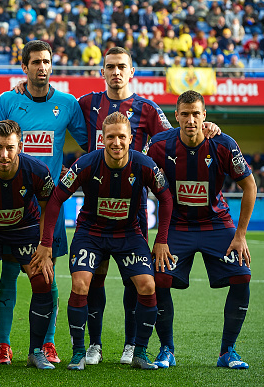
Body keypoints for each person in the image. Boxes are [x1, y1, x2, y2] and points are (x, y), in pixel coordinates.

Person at [76, 46, 220, 365]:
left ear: (131, 72)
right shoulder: (85, 105)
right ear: (102, 72)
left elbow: (176, 138)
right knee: (94, 275)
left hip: (134, 211)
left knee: (134, 279)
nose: (115, 72)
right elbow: (57, 117)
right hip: (95, 207)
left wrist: (207, 129)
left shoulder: (149, 109)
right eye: (109, 66)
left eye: (121, 67)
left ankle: (130, 345)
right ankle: (94, 344)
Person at [34, 111, 174, 370]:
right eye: (111, 137)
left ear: (131, 138)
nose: (116, 142)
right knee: (81, 284)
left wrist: (161, 240)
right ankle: (79, 352)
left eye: (122, 137)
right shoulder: (86, 163)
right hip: (91, 234)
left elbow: (166, 198)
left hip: (129, 234)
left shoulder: (144, 165)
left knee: (147, 286)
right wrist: (46, 243)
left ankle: (140, 352)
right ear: (102, 139)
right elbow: (55, 200)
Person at [0, 40, 87, 365]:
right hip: (10, 206)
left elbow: (92, 144)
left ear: (52, 65)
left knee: (48, 275)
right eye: (35, 62)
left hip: (48, 208)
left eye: (46, 61)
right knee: (10, 274)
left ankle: (48, 343)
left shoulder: (68, 104)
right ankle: (3, 345)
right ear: (24, 66)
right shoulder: (7, 100)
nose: (41, 67)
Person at [145, 90, 256, 369]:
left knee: (242, 276)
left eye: (196, 114)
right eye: (185, 114)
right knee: (159, 278)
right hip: (176, 225)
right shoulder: (159, 145)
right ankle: (166, 349)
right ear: (176, 117)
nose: (191, 120)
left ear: (204, 116)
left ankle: (227, 351)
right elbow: (138, 183)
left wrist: (240, 236)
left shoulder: (223, 144)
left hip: (216, 224)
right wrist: (156, 236)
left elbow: (250, 186)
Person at [0, 120, 56, 369]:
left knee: (43, 279)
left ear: (21, 146)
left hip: (24, 228)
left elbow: (50, 206)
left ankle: (36, 352)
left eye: (10, 147)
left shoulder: (37, 171)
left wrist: (45, 245)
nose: (4, 155)